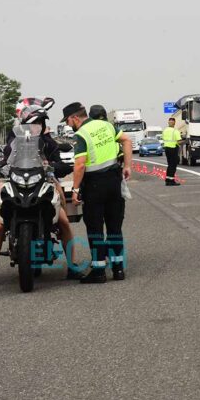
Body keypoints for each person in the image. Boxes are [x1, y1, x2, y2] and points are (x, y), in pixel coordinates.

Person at [0, 105, 83, 288]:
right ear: (25, 124)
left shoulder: (48, 141)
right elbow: (6, 158)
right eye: (34, 123)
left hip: (45, 180)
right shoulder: (14, 139)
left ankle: (72, 266)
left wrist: (57, 165)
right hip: (17, 180)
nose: (37, 126)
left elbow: (57, 160)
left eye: (40, 123)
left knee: (64, 221)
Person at [62, 102, 132, 283]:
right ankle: (118, 270)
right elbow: (127, 140)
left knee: (95, 229)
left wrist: (75, 189)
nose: (68, 125)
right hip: (114, 181)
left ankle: (99, 271)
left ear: (75, 117)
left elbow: (80, 165)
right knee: (115, 227)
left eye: (68, 121)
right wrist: (128, 166)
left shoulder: (81, 135)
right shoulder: (107, 126)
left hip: (94, 185)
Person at [162, 117, 182, 186]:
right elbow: (179, 142)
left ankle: (167, 180)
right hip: (173, 148)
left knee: (169, 165)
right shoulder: (175, 131)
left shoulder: (165, 130)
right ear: (174, 123)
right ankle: (171, 181)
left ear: (168, 122)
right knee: (173, 165)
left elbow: (164, 138)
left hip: (167, 149)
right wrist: (185, 141)